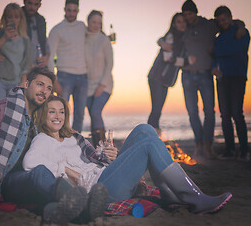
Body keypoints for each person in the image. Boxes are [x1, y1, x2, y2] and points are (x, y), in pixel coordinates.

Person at [23, 95, 232, 223]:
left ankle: (169, 194)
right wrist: (65, 170)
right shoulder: (42, 140)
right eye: (52, 111)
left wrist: (105, 156)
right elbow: (29, 163)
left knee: (144, 130)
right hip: (101, 189)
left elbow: (93, 162)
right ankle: (195, 199)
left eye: (61, 111)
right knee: (150, 145)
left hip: (105, 174)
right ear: (43, 115)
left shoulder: (72, 138)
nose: (58, 116)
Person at [0, 67, 98, 223]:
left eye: (49, 88)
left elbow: (57, 141)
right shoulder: (2, 109)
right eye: (40, 84)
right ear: (27, 84)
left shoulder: (40, 120)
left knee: (43, 173)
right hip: (4, 183)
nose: (44, 91)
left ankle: (55, 210)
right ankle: (85, 206)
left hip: (27, 180)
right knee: (40, 172)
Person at [160, 0, 245, 159]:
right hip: (187, 76)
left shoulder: (209, 25)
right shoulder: (183, 28)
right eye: (185, 14)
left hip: (206, 74)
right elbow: (165, 36)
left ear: (196, 12)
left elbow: (231, 22)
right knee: (192, 112)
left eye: (190, 13)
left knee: (209, 112)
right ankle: (199, 145)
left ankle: (208, 147)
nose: (187, 17)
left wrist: (241, 26)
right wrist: (161, 42)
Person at [211, 6, 250, 161]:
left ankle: (244, 151)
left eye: (225, 19)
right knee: (225, 115)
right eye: (220, 21)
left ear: (230, 17)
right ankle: (229, 149)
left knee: (236, 113)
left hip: (238, 77)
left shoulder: (242, 32)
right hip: (221, 79)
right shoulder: (218, 38)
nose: (223, 22)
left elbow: (234, 49)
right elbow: (215, 56)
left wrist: (217, 51)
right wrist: (214, 66)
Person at [147, 13, 195, 134]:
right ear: (174, 24)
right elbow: (168, 58)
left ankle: (152, 135)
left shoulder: (183, 38)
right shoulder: (171, 36)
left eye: (184, 21)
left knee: (158, 110)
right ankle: (150, 135)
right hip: (157, 77)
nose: (182, 24)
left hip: (164, 79)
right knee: (156, 109)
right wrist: (187, 61)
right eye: (178, 21)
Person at [47, 0, 87, 133]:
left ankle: (76, 145)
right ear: (64, 9)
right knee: (61, 113)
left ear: (78, 11)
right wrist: (54, 80)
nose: (71, 13)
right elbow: (50, 56)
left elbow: (95, 37)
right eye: (69, 10)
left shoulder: (82, 26)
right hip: (64, 76)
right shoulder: (56, 30)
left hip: (83, 76)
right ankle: (61, 140)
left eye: (74, 10)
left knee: (80, 115)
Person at [0, 3, 32, 103]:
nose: (13, 20)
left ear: (20, 19)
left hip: (17, 81)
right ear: (5, 18)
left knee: (14, 114)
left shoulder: (26, 41)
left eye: (16, 17)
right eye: (9, 16)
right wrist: (4, 38)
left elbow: (27, 63)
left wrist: (23, 81)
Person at [85, 10, 114, 146]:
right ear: (88, 22)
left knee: (95, 112)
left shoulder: (104, 40)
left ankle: (102, 147)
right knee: (93, 114)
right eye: (94, 22)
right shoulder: (83, 38)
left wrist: (102, 85)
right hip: (87, 86)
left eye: (99, 23)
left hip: (104, 85)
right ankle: (98, 149)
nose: (96, 25)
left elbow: (110, 64)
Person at [22, 0, 50, 67]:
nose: (32, 7)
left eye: (36, 4)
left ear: (40, 5)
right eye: (30, 3)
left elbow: (44, 41)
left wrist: (46, 57)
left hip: (37, 65)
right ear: (24, 2)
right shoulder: (16, 16)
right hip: (20, 66)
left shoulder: (41, 20)